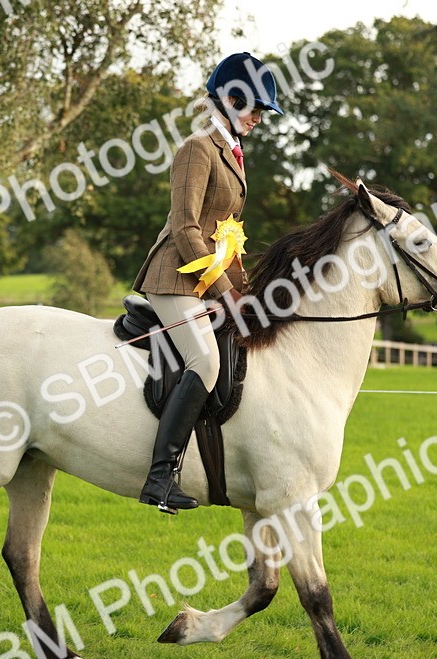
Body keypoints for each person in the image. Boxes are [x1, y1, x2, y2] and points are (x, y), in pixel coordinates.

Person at [132, 52, 284, 513]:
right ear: (232, 99)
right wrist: (226, 292)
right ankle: (160, 479)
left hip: (203, 279)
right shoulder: (197, 148)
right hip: (173, 278)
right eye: (255, 108)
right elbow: (185, 229)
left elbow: (226, 236)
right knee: (206, 359)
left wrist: (246, 291)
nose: (259, 119)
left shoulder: (232, 154)